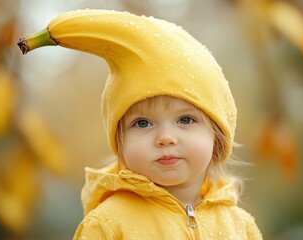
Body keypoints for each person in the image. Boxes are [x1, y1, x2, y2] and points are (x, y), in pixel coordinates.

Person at [17, 8, 262, 240]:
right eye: (143, 123)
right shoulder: (108, 225)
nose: (165, 137)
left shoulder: (241, 227)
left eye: (185, 119)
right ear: (120, 141)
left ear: (218, 136)